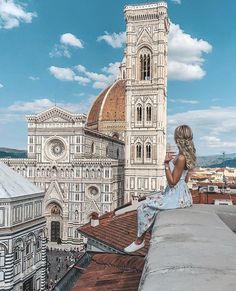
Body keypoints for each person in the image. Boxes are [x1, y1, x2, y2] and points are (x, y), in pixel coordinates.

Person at [124, 125, 196, 253]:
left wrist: (166, 164)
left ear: (177, 138)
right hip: (181, 195)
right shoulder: (186, 155)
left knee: (143, 207)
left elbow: (173, 182)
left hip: (176, 196)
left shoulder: (181, 157)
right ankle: (144, 238)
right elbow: (184, 180)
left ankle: (139, 241)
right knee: (151, 198)